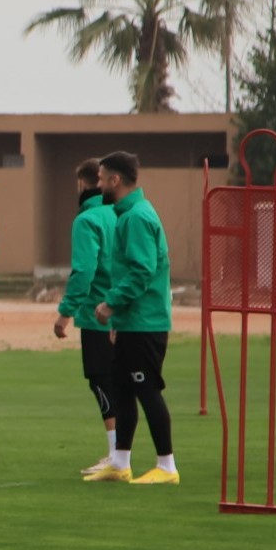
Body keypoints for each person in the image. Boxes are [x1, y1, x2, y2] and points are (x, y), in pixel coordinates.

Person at [86, 152, 179, 485]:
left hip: (145, 322)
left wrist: (110, 305)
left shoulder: (137, 217)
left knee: (147, 389)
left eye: (100, 178)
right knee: (122, 389)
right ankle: (120, 462)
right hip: (131, 322)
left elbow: (142, 270)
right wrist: (117, 321)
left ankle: (166, 466)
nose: (98, 185)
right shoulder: (128, 214)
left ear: (115, 180)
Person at [54, 158, 121, 473]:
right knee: (124, 382)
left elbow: (84, 270)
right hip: (127, 312)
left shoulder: (87, 220)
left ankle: (116, 454)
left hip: (96, 313)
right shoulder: (122, 214)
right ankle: (125, 453)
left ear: (82, 184)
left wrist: (65, 312)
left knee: (101, 381)